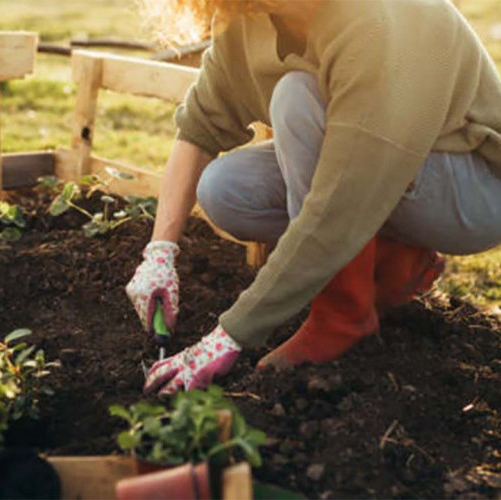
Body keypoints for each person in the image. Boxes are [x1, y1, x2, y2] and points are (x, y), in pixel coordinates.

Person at [125, 0, 501, 395]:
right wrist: (159, 253)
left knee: (296, 97)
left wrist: (229, 336)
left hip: (473, 187)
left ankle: (343, 318)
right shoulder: (248, 20)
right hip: (379, 167)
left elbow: (338, 204)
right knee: (226, 190)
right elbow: (200, 126)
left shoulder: (373, 19)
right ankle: (395, 260)